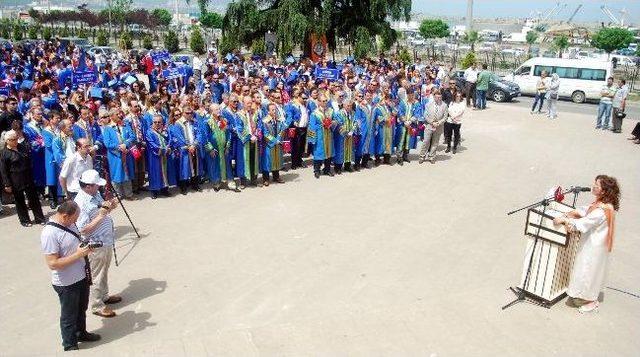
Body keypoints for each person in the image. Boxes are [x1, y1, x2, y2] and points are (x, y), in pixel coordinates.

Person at [553, 175, 620, 313]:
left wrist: (564, 220)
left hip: (593, 248)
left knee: (587, 271)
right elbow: (587, 210)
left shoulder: (602, 211)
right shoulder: (602, 205)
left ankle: (590, 300)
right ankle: (584, 295)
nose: (593, 186)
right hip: (594, 245)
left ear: (604, 191)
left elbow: (585, 222)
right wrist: (573, 213)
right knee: (587, 271)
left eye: (597, 185)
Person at [41, 201, 101, 351]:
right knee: (69, 315)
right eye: (74, 219)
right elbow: (52, 263)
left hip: (81, 276)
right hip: (66, 283)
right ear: (64, 215)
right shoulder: (50, 234)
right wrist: (78, 255)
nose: (76, 222)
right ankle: (69, 344)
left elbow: (74, 244)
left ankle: (81, 333)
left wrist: (85, 248)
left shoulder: (69, 223)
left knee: (81, 308)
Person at [74, 169, 122, 318]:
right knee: (97, 275)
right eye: (96, 185)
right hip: (96, 243)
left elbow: (102, 210)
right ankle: (97, 305)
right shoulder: (80, 203)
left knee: (104, 270)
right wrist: (101, 215)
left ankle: (104, 296)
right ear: (88, 186)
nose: (99, 188)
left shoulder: (94, 194)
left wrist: (109, 207)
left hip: (106, 240)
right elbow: (83, 229)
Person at [0, 129, 46, 226]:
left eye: (16, 139)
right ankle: (25, 220)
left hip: (28, 176)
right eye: (13, 139)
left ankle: (39, 218)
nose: (16, 141)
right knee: (20, 200)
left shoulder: (22, 147)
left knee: (34, 198)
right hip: (15, 179)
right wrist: (7, 184)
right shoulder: (5, 153)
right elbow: (4, 171)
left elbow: (29, 160)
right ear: (7, 140)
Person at [146, 114, 172, 199]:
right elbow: (152, 144)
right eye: (155, 122)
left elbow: (170, 139)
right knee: (155, 172)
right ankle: (154, 191)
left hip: (165, 156)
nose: (157, 123)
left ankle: (164, 189)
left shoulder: (165, 130)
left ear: (162, 122)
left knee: (165, 171)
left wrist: (168, 147)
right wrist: (163, 150)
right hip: (155, 156)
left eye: (159, 122)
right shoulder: (149, 132)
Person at [419, 89, 448, 164]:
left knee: (435, 143)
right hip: (429, 125)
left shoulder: (444, 105)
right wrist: (432, 122)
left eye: (440, 97)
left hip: (438, 126)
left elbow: (445, 117)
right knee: (426, 141)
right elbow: (425, 115)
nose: (439, 99)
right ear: (434, 97)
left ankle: (431, 156)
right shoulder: (428, 104)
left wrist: (438, 122)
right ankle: (422, 156)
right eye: (437, 97)